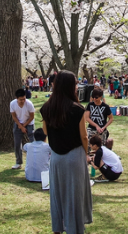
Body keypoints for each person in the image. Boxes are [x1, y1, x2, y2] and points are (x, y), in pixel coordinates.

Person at [39, 70, 92, 234]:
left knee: (57, 195)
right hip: (74, 155)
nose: (77, 86)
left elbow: (45, 131)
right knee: (74, 195)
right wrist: (86, 153)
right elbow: (83, 135)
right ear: (70, 86)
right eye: (75, 83)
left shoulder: (47, 107)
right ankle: (74, 229)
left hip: (56, 158)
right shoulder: (77, 109)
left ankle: (58, 228)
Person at [10, 88, 36, 170]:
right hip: (18, 123)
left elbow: (32, 117)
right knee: (17, 144)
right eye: (21, 99)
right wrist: (20, 126)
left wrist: (24, 126)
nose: (23, 101)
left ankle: (36, 161)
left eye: (24, 99)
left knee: (34, 143)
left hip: (29, 123)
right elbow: (14, 116)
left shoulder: (29, 104)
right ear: (16, 98)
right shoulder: (12, 104)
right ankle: (18, 162)